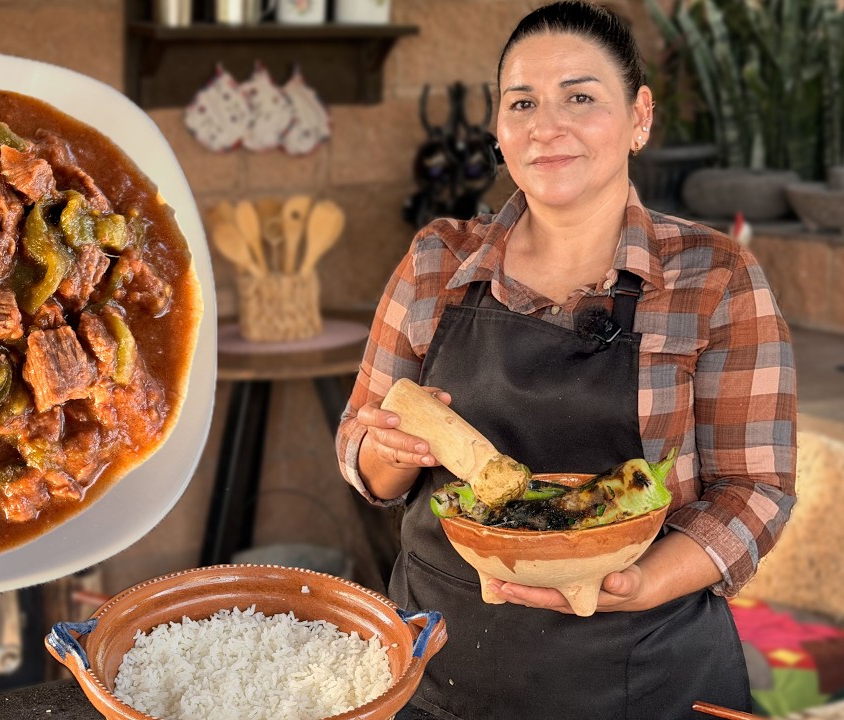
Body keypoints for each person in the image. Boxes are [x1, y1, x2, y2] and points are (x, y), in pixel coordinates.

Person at [334, 2, 798, 719]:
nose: (547, 126)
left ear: (639, 117)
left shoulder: (716, 277)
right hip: (437, 670)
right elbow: (363, 450)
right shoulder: (437, 259)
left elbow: (755, 490)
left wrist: (633, 586)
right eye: (523, 102)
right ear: (499, 129)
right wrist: (388, 450)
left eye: (580, 97)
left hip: (641, 675)